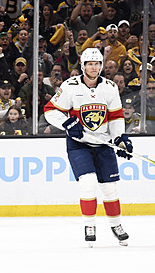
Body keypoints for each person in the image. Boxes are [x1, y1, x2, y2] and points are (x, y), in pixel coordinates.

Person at [44, 47, 132, 247]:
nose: (94, 67)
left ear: (101, 66)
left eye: (97, 63)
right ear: (83, 66)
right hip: (79, 145)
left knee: (110, 188)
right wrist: (68, 124)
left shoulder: (109, 87)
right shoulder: (70, 86)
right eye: (90, 64)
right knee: (88, 183)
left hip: (103, 144)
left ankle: (116, 225)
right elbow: (50, 111)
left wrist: (119, 138)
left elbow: (116, 117)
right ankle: (89, 225)